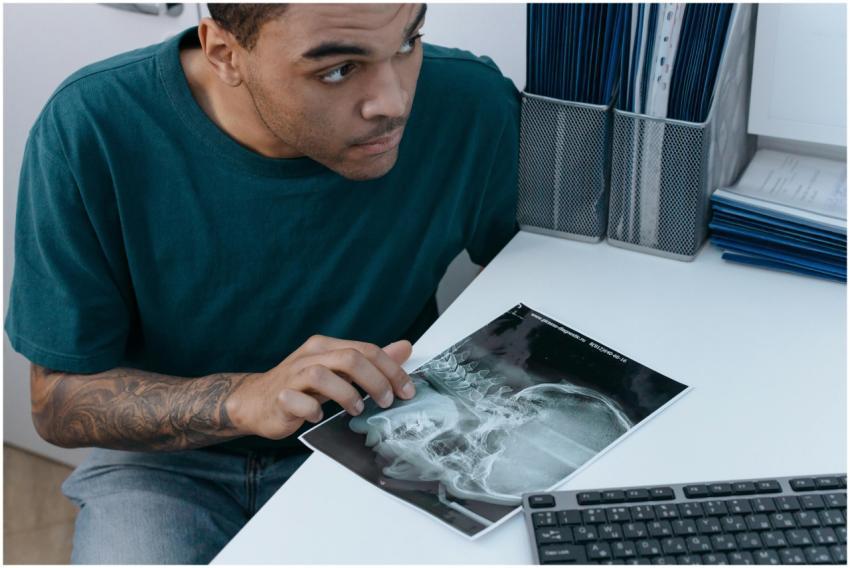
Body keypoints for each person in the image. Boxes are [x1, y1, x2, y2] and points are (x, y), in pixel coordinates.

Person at [5, 3, 519, 563]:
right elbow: (57, 402)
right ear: (225, 53)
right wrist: (245, 399)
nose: (393, 104)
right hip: (164, 462)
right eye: (338, 70)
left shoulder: (473, 103)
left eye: (407, 43)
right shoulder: (93, 123)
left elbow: (540, 282)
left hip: (382, 435)